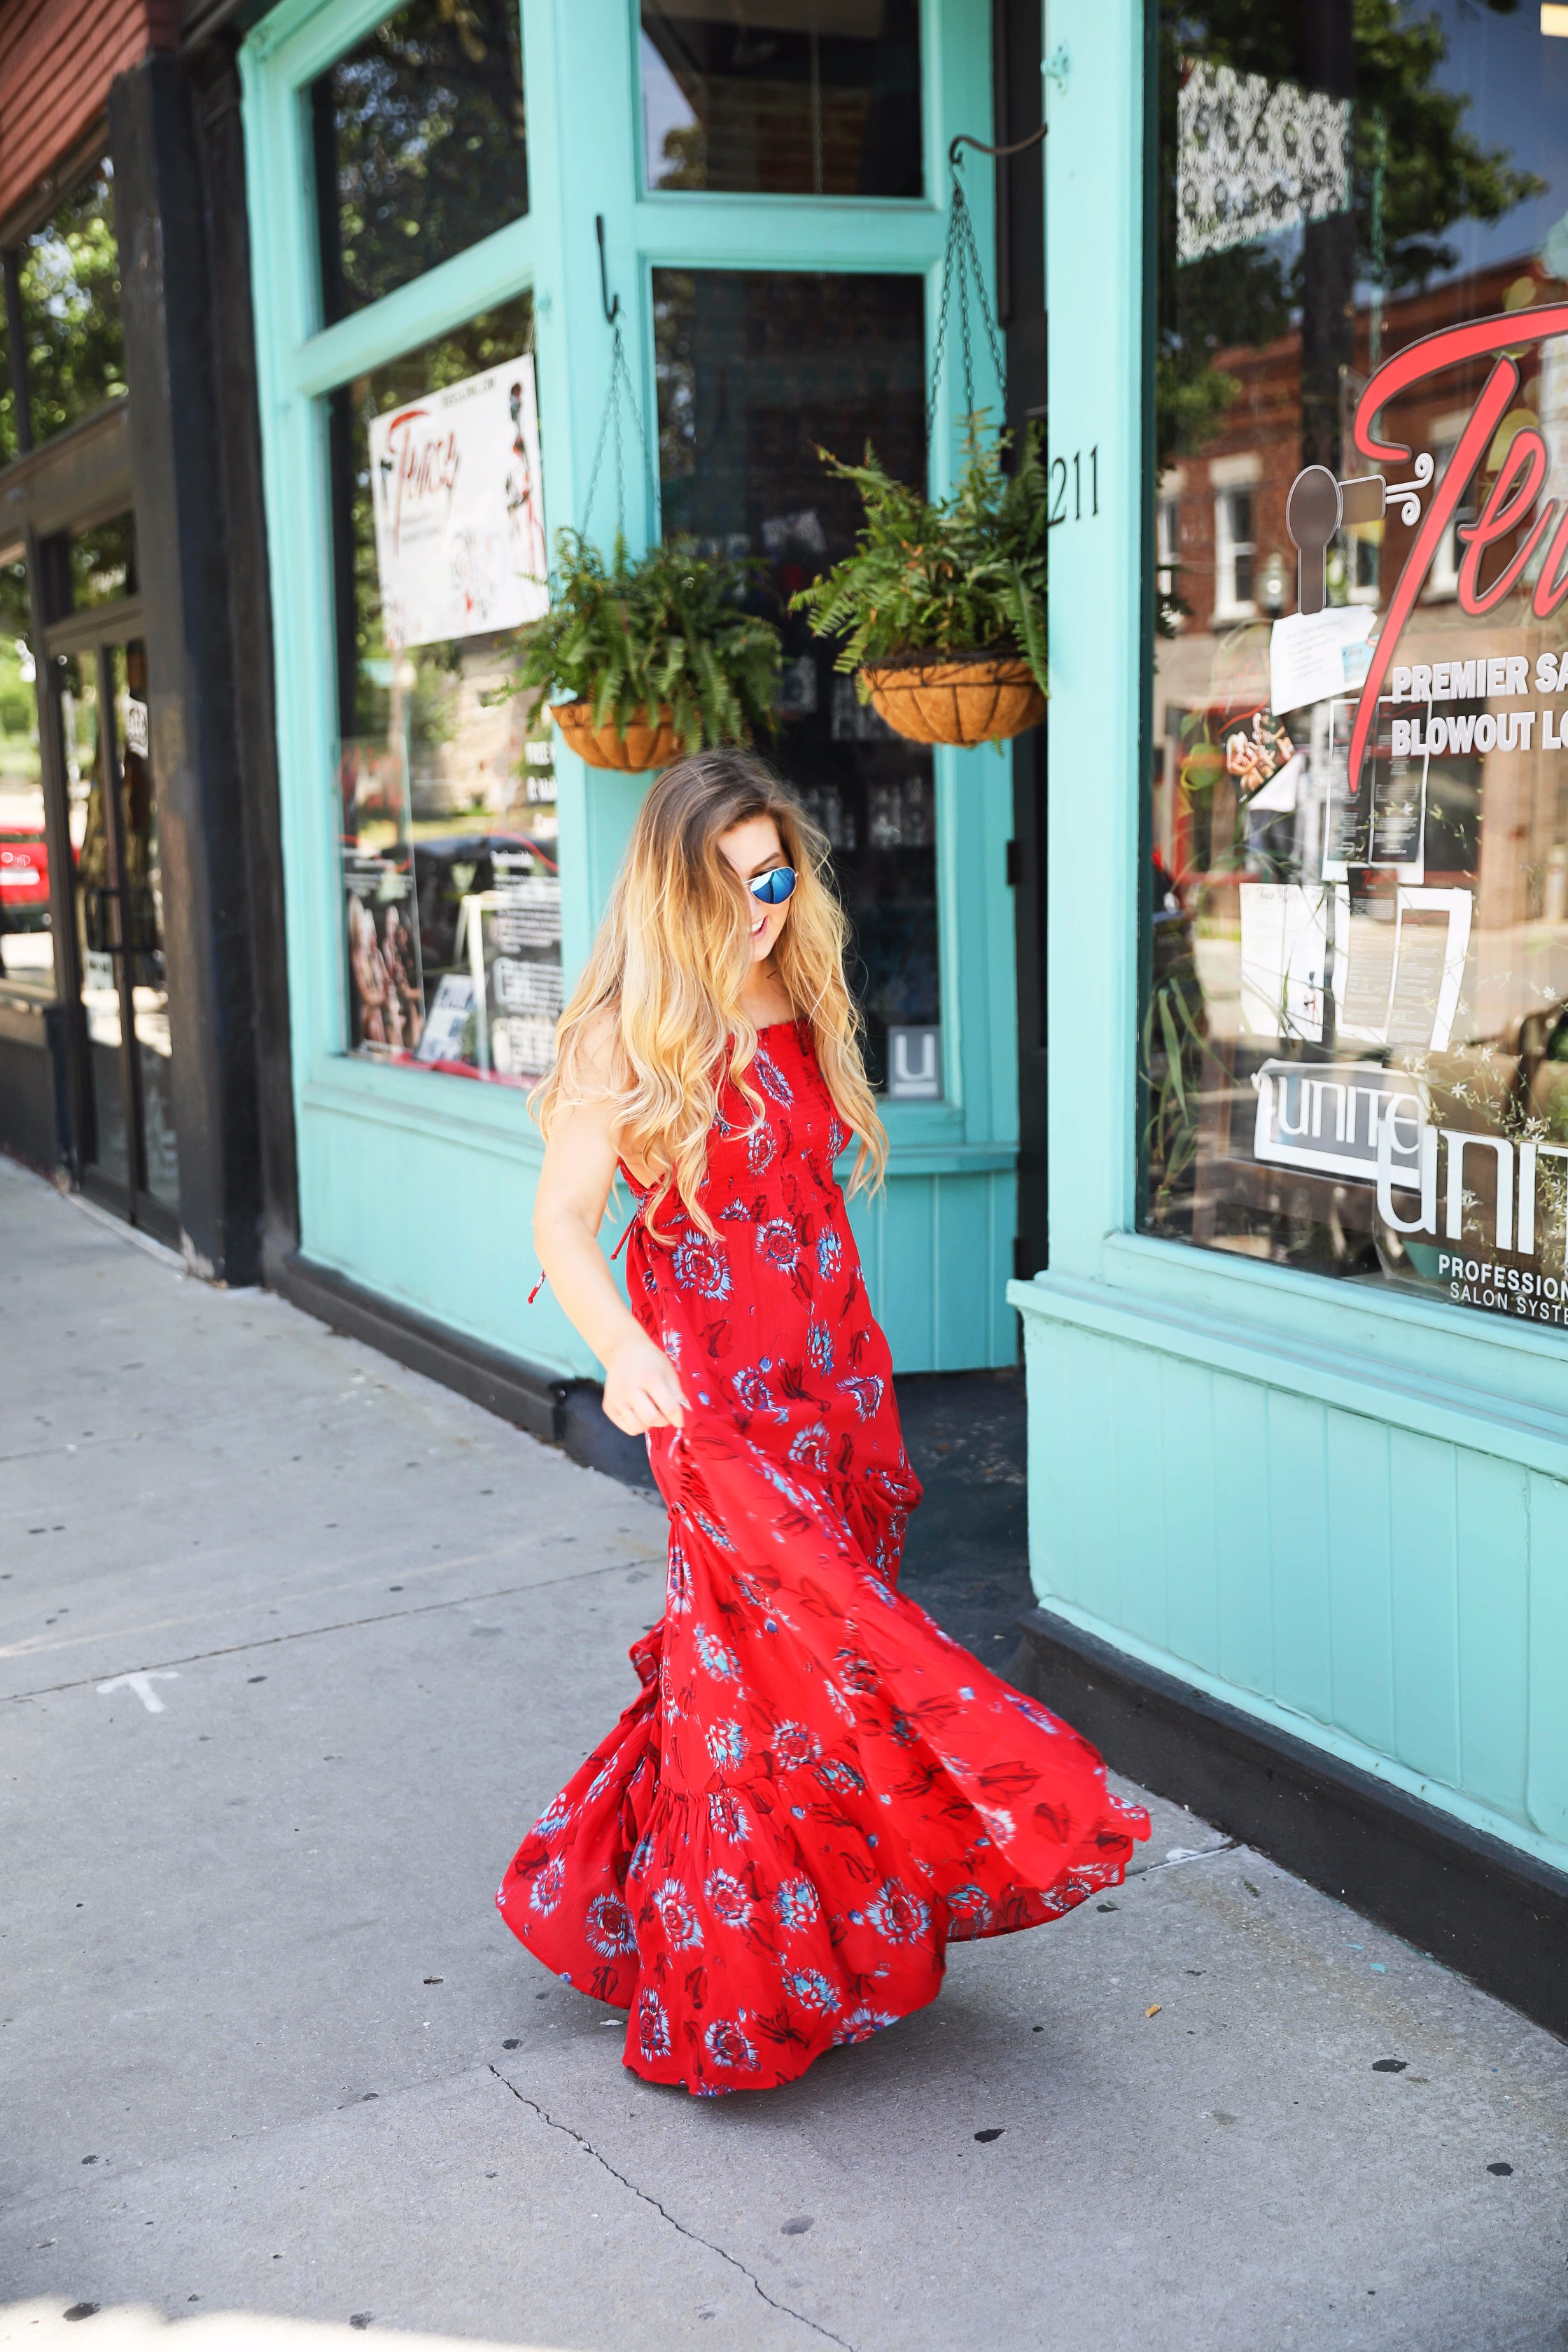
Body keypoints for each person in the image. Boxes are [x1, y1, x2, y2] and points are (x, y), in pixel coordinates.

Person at [496, 751, 1149, 2094]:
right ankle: (731, 2002)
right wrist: (618, 1350)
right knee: (769, 1664)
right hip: (710, 1398)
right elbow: (564, 1224)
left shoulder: (794, 992)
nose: (758, 909)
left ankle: (695, 1915)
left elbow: (809, 1206)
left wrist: (851, 1372)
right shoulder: (625, 1028)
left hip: (830, 1382)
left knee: (785, 1675)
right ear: (670, 887)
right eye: (729, 885)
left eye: (776, 878)